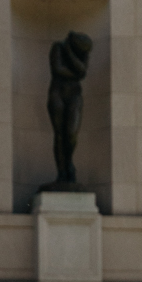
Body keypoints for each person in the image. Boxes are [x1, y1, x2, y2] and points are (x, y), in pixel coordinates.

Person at [45, 30, 93, 187]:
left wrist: (70, 54)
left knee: (71, 134)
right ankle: (62, 172)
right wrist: (77, 73)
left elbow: (83, 71)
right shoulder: (58, 47)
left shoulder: (80, 51)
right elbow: (58, 69)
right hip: (57, 94)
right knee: (59, 135)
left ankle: (69, 163)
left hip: (74, 96)